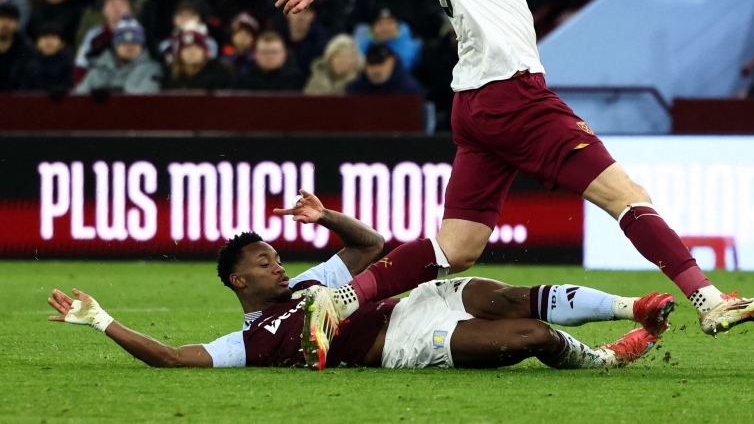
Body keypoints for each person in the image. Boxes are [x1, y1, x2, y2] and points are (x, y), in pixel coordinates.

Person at [275, 0, 754, 338]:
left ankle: (338, 300)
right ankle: (708, 300)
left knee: (455, 248)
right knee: (626, 194)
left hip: (475, 107)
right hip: (514, 95)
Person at [44, 192, 671, 371]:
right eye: (263, 261)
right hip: (404, 348)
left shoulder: (305, 285)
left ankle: (630, 307)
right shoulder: (249, 342)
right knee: (530, 335)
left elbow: (371, 249)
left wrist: (325, 218)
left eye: (275, 255)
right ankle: (606, 361)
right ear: (237, 280)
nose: (277, 264)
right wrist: (100, 321)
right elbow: (172, 358)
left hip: (418, 302)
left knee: (500, 292)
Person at [73, 19, 163, 95]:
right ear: (115, 46)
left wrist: (110, 94)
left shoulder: (152, 68)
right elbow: (79, 96)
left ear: (142, 46)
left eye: (135, 42)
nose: (130, 46)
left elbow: (148, 97)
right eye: (124, 42)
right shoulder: (99, 67)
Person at [162, 28, 232, 90]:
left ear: (205, 52)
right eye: (187, 48)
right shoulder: (171, 75)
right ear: (180, 54)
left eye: (197, 48)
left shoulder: (219, 74)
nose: (192, 52)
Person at [354, 7, 422, 71]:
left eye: (390, 23)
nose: (385, 28)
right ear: (372, 28)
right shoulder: (360, 47)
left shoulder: (412, 48)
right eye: (380, 24)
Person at [234, 30, 304, 91]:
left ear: (284, 54)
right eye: (264, 52)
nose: (269, 57)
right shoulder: (244, 79)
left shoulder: (294, 79)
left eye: (274, 52)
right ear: (255, 55)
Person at [346, 42, 424, 96]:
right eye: (371, 64)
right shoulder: (355, 89)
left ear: (392, 62)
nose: (376, 70)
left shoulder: (408, 90)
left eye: (381, 64)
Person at [18, 22, 74, 92]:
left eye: (53, 37)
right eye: (45, 37)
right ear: (36, 44)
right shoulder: (28, 66)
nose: (49, 41)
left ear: (62, 44)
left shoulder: (69, 67)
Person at [0, 4, 34, 90]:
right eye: (2, 19)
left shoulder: (27, 48)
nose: (5, 24)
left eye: (11, 19)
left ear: (17, 24)